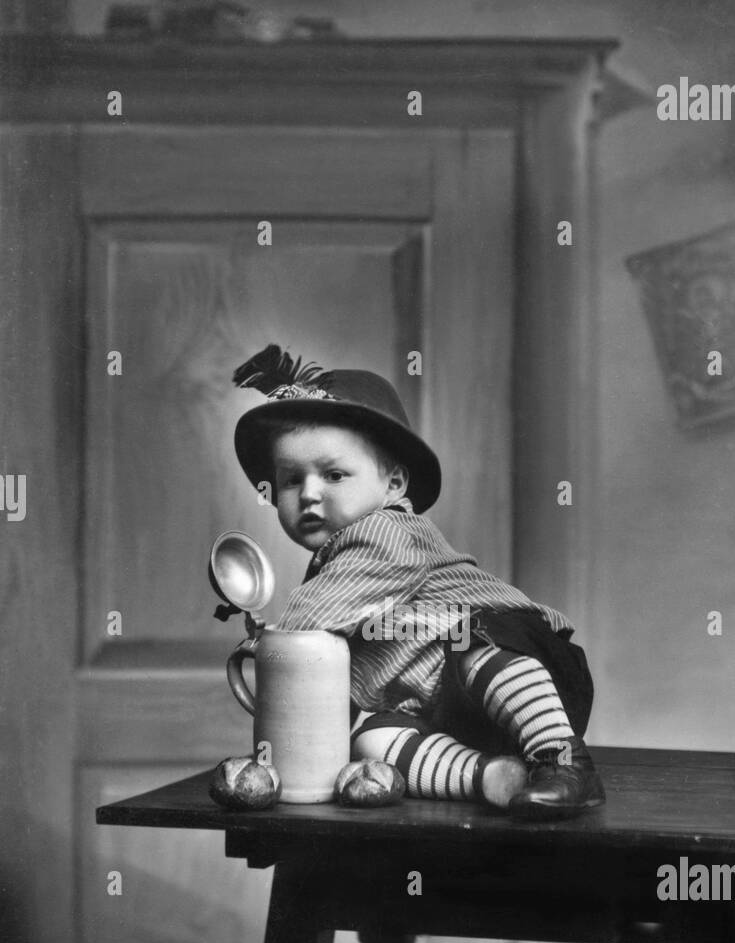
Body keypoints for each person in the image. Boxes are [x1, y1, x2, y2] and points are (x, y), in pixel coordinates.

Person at [232, 344, 604, 818]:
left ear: (393, 485)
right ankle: (489, 775)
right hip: (455, 713)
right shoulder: (332, 564)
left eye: (334, 474)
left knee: (475, 644)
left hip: (529, 675)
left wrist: (274, 643)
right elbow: (336, 664)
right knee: (370, 739)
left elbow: (313, 623)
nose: (308, 494)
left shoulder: (386, 530)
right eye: (290, 480)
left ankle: (564, 760)